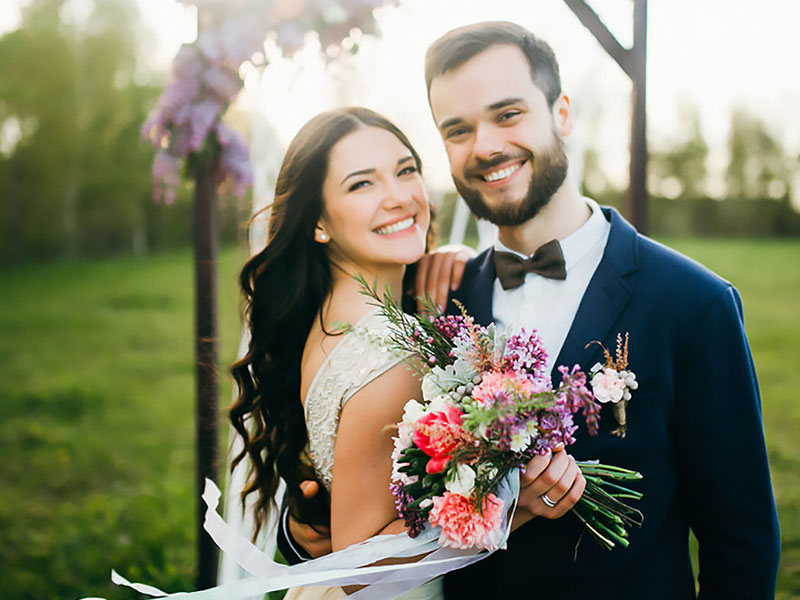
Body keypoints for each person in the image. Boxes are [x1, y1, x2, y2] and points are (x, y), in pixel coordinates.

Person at [280, 22, 781, 599]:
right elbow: (357, 490)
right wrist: (306, 532)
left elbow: (741, 544)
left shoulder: (694, 304)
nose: (486, 146)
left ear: (561, 113)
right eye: (458, 130)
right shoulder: (434, 299)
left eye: (508, 114)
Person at [228, 106, 586, 600]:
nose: (398, 197)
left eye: (405, 170)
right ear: (317, 222)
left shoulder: (336, 315)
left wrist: (461, 261)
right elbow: (360, 572)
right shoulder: (390, 360)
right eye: (362, 185)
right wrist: (509, 503)